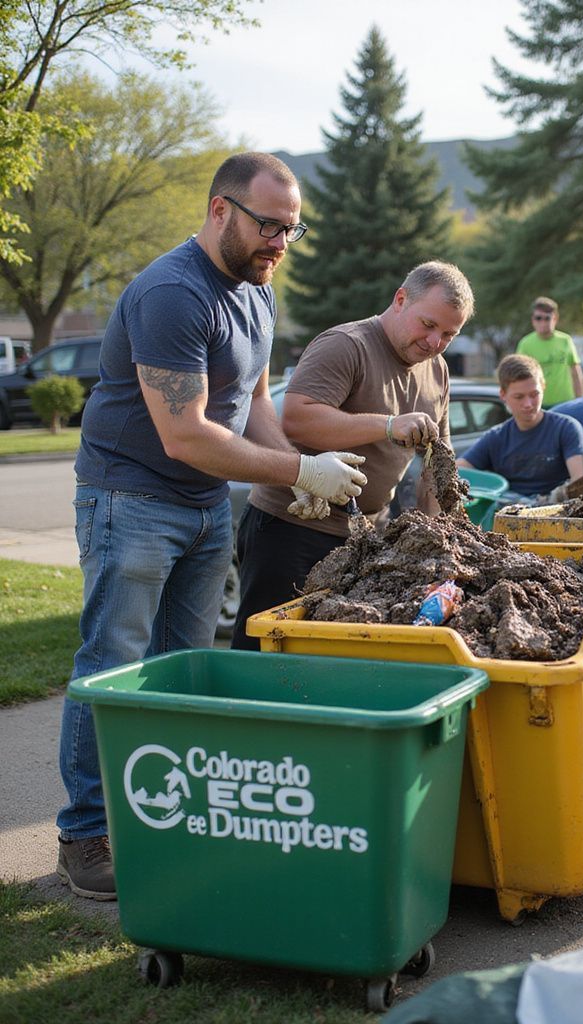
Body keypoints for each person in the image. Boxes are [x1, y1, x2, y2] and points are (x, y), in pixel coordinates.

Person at [57, 152, 369, 900]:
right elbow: (186, 434)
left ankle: (157, 817)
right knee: (112, 660)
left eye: (292, 230)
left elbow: (253, 402)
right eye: (270, 226)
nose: (281, 245)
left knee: (185, 664)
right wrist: (299, 473)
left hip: (201, 509)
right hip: (131, 499)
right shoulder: (172, 292)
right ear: (220, 210)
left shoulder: (258, 294)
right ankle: (86, 834)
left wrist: (298, 467)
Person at [231, 261, 475, 652]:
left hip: (366, 540)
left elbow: (437, 466)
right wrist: (388, 425)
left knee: (332, 658)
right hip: (291, 531)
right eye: (428, 325)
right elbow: (296, 417)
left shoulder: (439, 371)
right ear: (400, 300)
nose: (434, 342)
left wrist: (436, 546)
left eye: (449, 334)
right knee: (264, 653)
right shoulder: (348, 344)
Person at [457, 353, 583, 504]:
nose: (528, 404)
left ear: (543, 386)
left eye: (534, 394)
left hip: (555, 514)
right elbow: (457, 471)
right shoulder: (495, 437)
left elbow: (579, 484)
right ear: (503, 395)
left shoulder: (566, 428)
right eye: (519, 397)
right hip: (509, 514)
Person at [515, 296, 583, 407]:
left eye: (547, 318)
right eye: (538, 318)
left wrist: (581, 400)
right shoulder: (525, 344)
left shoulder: (565, 340)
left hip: (566, 403)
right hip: (537, 404)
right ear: (533, 320)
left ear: (555, 318)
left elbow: (576, 372)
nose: (542, 322)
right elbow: (518, 376)